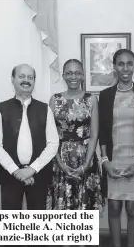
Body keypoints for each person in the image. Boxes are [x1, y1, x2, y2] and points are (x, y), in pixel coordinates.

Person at [98, 49, 134, 247]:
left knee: (132, 209)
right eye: (120, 64)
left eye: (129, 63)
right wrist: (105, 161)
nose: (125, 68)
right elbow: (102, 132)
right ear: (114, 67)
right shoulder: (104, 96)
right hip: (112, 160)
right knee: (113, 208)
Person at [0, 64, 59, 212]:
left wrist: (32, 169)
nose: (26, 80)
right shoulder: (1, 108)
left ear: (34, 81)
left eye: (30, 77)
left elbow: (53, 143)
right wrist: (16, 171)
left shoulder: (44, 109)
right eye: (21, 76)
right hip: (10, 176)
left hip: (38, 175)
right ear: (13, 80)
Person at [46, 59, 105, 211]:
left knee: (85, 209)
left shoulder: (91, 99)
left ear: (83, 76)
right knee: (62, 210)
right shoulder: (55, 99)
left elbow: (94, 134)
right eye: (70, 73)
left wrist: (86, 165)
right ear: (64, 76)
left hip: (86, 157)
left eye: (78, 73)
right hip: (60, 159)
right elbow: (49, 136)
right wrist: (60, 163)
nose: (74, 76)